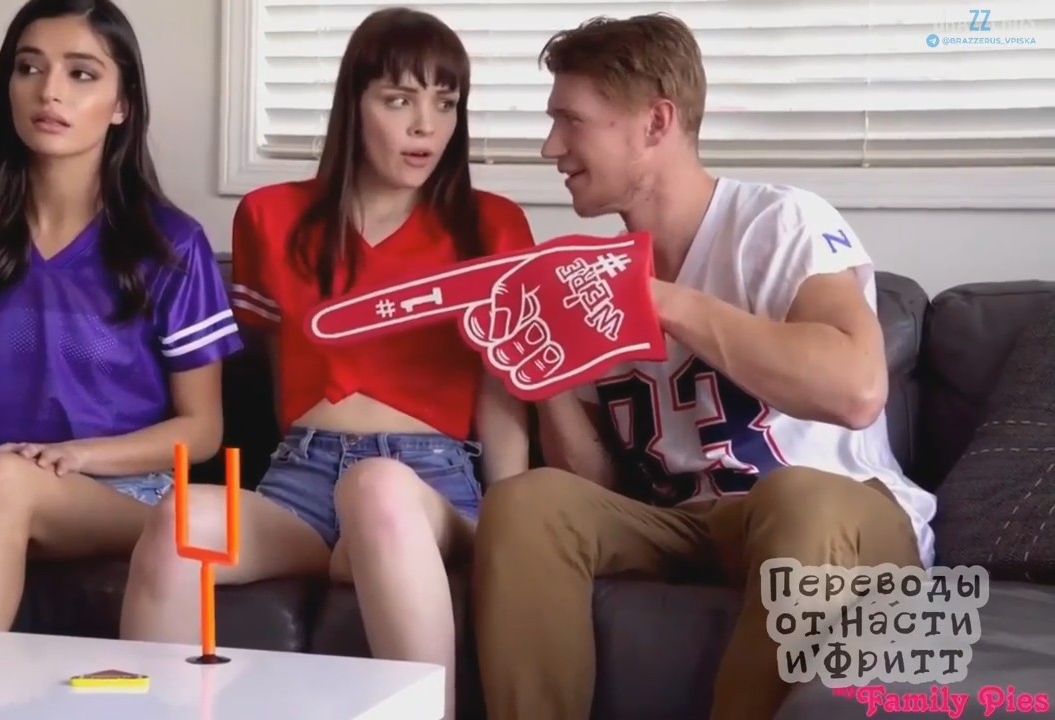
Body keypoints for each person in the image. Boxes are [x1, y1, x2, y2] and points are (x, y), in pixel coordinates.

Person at [470, 14, 940, 720]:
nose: (551, 147)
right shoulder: (588, 279)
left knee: (798, 499)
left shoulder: (778, 223)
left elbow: (857, 388)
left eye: (572, 121)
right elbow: (594, 487)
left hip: (841, 516)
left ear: (656, 123)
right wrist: (544, 374)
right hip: (685, 524)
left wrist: (667, 303)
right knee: (526, 503)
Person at [118, 7, 534, 718]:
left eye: (445, 103)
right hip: (302, 481)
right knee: (179, 524)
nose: (425, 126)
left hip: (428, 483)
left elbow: (502, 390)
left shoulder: (493, 224)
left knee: (377, 490)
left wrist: (511, 516)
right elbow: (282, 365)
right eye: (399, 100)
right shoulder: (271, 216)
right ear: (354, 105)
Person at [0, 0, 240, 631]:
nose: (49, 91)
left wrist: (79, 456)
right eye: (29, 68)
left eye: (81, 74)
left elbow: (201, 430)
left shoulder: (171, 244)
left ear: (122, 104)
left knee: (6, 480)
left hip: (123, 489)